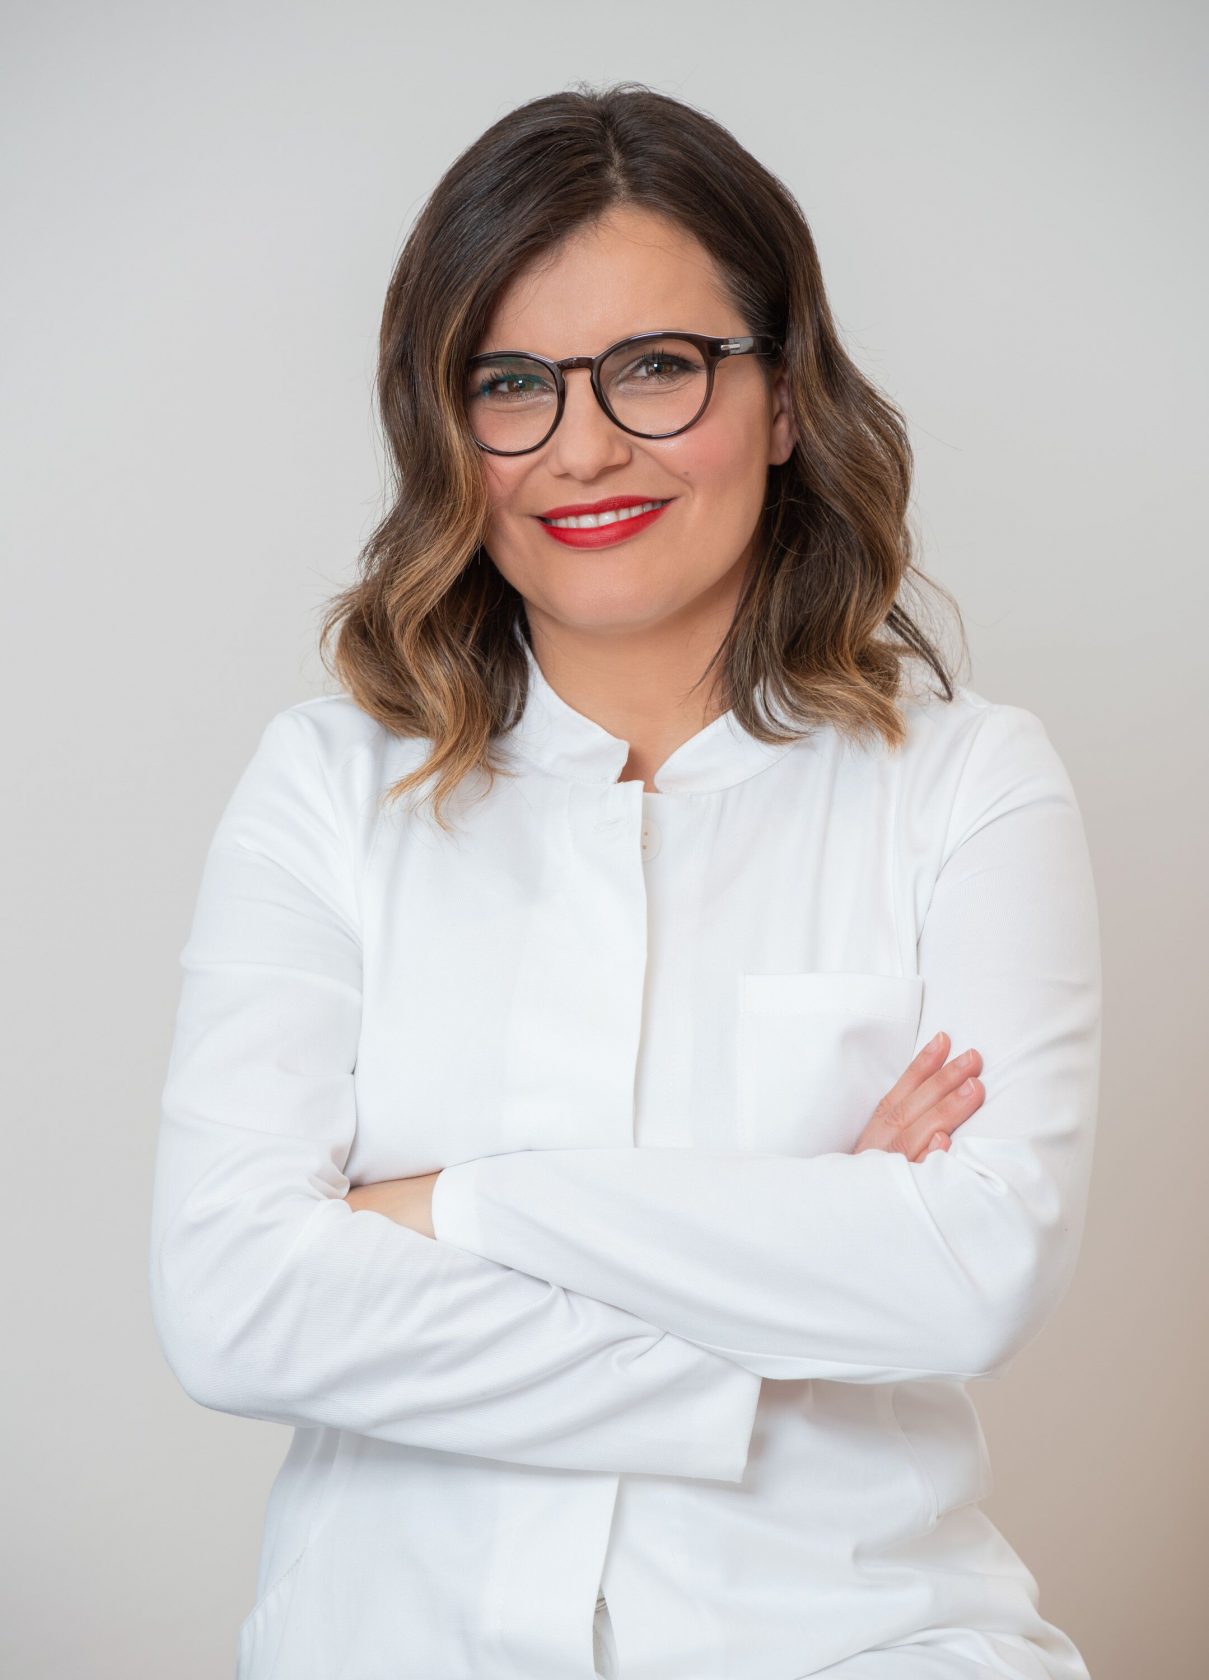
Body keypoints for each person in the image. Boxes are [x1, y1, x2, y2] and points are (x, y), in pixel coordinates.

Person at [148, 81, 1101, 1680]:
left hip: (858, 1647)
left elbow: (973, 1277)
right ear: (445, 428)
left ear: (782, 397)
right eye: (510, 383)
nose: (582, 446)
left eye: (656, 366)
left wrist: (443, 1208)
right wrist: (793, 1277)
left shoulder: (965, 784)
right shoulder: (324, 786)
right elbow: (233, 1306)